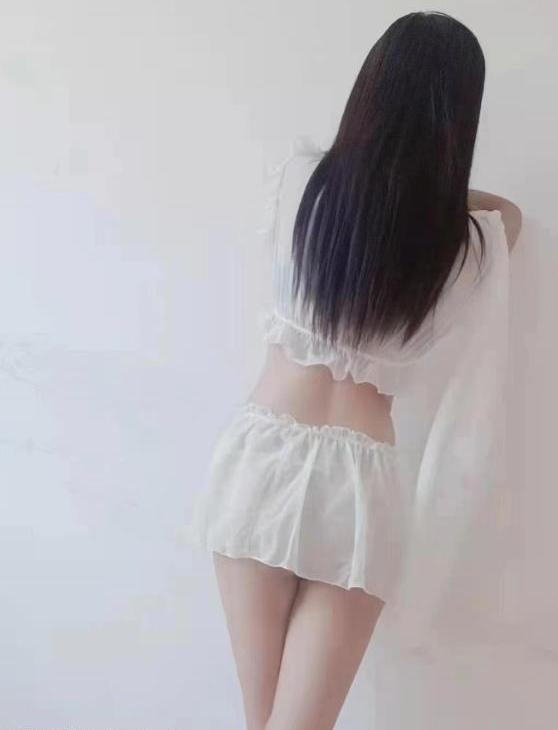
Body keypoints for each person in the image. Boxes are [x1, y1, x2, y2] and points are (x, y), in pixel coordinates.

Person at [185, 10, 522, 730]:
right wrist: (429, 189)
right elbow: (511, 213)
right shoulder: (468, 244)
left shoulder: (302, 183)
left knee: (266, 722)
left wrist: (391, 180)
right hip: (358, 487)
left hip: (263, 456)